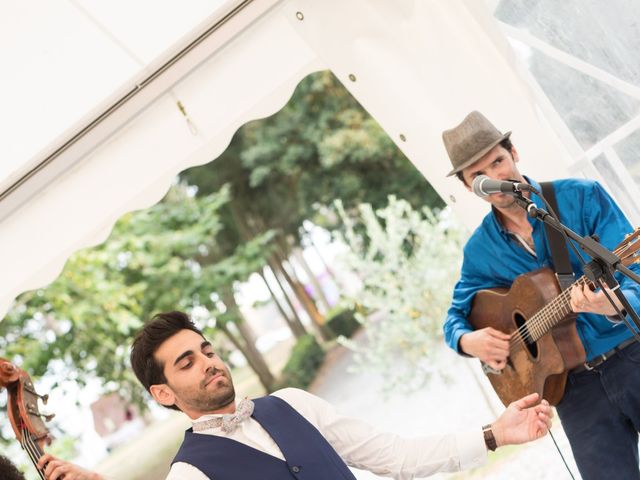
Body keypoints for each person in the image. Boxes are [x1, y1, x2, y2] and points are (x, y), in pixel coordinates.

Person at [37, 310, 552, 480]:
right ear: (164, 394)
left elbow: (395, 455)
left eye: (206, 349)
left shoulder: (291, 402)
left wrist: (494, 433)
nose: (209, 362)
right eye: (186, 363)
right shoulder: (190, 473)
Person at [442, 110, 640, 480]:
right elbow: (454, 318)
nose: (496, 177)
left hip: (631, 355)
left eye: (498, 161)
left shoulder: (581, 198)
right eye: (480, 176)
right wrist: (469, 340)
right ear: (469, 188)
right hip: (575, 390)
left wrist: (612, 305)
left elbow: (636, 277)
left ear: (514, 152)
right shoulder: (480, 251)